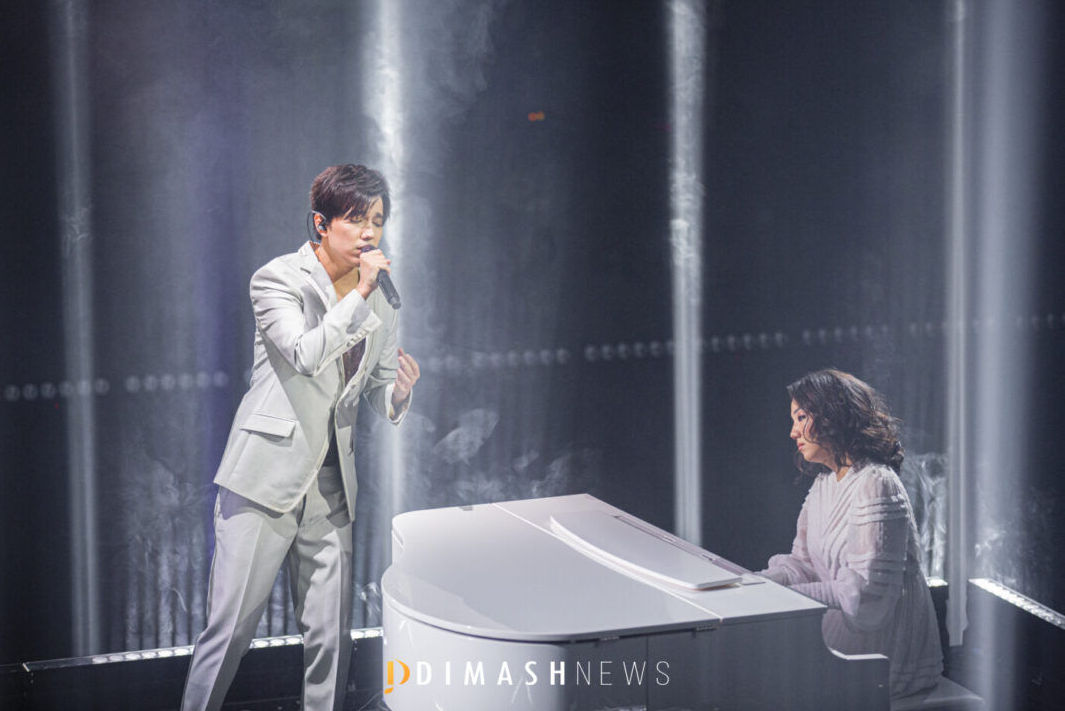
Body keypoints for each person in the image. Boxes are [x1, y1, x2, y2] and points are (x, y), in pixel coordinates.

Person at [180, 164, 420, 711]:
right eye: (356, 219)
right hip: (265, 479)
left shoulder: (382, 298)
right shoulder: (277, 280)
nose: (369, 232)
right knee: (230, 633)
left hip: (332, 486)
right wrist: (360, 293)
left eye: (377, 220)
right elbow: (305, 354)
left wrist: (398, 394)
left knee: (331, 641)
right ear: (321, 223)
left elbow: (377, 384)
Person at [759, 368, 942, 698]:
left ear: (831, 415)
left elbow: (866, 597)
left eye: (801, 418)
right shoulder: (824, 483)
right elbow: (803, 564)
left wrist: (782, 597)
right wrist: (758, 583)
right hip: (847, 627)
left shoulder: (876, 483)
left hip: (887, 649)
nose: (792, 432)